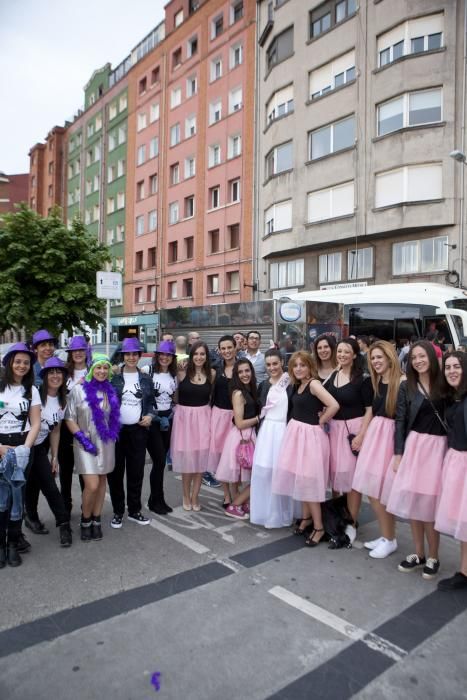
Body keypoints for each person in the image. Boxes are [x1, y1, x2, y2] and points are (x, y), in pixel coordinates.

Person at [386, 340, 447, 579]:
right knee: (413, 503)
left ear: (431, 357)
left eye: (422, 356)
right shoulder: (406, 386)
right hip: (413, 448)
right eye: (414, 358)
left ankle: (434, 556)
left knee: (429, 505)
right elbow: (400, 421)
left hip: (438, 448)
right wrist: (398, 453)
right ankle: (418, 553)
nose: (418, 361)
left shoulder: (445, 384)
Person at [272, 351, 339, 545]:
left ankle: (319, 527)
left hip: (311, 438)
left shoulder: (314, 384)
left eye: (303, 365)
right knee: (301, 479)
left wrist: (321, 420)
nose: (299, 369)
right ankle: (307, 518)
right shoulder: (298, 385)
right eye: (295, 365)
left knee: (309, 483)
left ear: (310, 366)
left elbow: (334, 405)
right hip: (297, 436)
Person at [352, 341, 403, 559]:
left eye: (380, 357)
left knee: (383, 493)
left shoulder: (402, 383)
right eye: (372, 358)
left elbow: (403, 419)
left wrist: (400, 451)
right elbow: (370, 412)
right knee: (373, 491)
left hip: (391, 440)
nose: (375, 361)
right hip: (376, 437)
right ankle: (387, 536)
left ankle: (390, 539)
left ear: (390, 357)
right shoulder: (376, 381)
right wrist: (362, 435)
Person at [65, 354, 120, 542]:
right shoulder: (78, 390)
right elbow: (69, 418)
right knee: (92, 484)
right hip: (84, 443)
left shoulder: (110, 391)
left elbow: (113, 418)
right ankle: (85, 519)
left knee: (102, 480)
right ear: (91, 369)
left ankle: (96, 519)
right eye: (98, 367)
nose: (102, 371)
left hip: (106, 443)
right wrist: (81, 438)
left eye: (105, 368)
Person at [326, 338, 373, 542]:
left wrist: (362, 435)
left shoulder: (362, 379)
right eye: (340, 351)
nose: (342, 355)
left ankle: (352, 522)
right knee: (336, 476)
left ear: (355, 355)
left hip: (353, 430)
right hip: (334, 430)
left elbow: (370, 409)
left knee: (352, 480)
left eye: (347, 352)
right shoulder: (333, 375)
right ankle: (338, 516)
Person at [24, 357, 72, 547]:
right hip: (25, 445)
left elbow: (56, 429)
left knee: (49, 486)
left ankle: (64, 525)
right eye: (51, 372)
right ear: (44, 376)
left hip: (41, 446)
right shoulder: (34, 394)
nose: (55, 376)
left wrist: (54, 456)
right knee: (30, 486)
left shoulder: (62, 400)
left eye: (58, 372)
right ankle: (30, 519)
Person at [0, 342, 41, 566]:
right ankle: (0, 544)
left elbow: (35, 423)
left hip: (22, 447)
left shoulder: (31, 390)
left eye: (26, 362)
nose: (22, 366)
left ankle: (13, 543)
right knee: (0, 501)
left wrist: (25, 448)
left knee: (17, 500)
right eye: (17, 361)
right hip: (0, 446)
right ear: (9, 363)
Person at [108, 338, 154, 528]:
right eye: (128, 354)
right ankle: (118, 511)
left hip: (138, 431)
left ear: (139, 355)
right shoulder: (114, 378)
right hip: (117, 431)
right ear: (123, 356)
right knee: (116, 473)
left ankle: (134, 510)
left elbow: (151, 403)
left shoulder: (145, 378)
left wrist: (150, 415)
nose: (132, 357)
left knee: (136, 472)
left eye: (135, 354)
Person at [250, 349, 296, 528]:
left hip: (284, 430)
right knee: (264, 473)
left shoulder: (290, 382)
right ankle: (265, 511)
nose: (272, 368)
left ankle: (282, 512)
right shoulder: (263, 385)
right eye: (268, 365)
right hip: (267, 432)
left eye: (275, 364)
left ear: (282, 363)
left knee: (282, 473)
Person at [435, 352, 467, 589]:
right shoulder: (453, 397)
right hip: (456, 460)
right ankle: (465, 571)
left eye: (457, 366)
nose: (452, 371)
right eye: (447, 368)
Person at [171, 341, 216, 511]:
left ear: (206, 356)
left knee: (200, 462)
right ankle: (185, 495)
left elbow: (211, 397)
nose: (199, 357)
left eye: (202, 354)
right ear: (191, 355)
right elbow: (174, 396)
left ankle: (195, 496)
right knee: (187, 462)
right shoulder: (181, 372)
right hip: (184, 420)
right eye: (196, 354)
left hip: (204, 418)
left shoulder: (211, 373)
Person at [216, 359, 261, 519]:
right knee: (238, 473)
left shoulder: (249, 389)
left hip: (249, 435)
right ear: (236, 375)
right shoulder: (238, 393)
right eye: (240, 372)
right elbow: (240, 423)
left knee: (240, 473)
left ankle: (239, 503)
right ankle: (235, 505)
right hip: (241, 436)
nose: (244, 374)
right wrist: (259, 417)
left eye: (247, 370)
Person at [58, 335, 89, 517]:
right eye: (74, 351)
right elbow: (58, 397)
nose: (78, 353)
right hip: (66, 428)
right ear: (70, 354)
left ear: (86, 352)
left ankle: (86, 508)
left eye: (81, 350)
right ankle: (65, 509)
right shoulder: (63, 373)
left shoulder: (93, 371)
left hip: (87, 428)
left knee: (86, 470)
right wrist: (74, 387)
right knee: (66, 470)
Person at [146, 340, 178, 515]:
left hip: (169, 421)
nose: (165, 358)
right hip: (153, 422)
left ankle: (155, 499)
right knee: (159, 461)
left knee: (161, 463)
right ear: (157, 356)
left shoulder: (174, 376)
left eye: (168, 355)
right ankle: (157, 500)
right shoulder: (147, 372)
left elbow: (175, 398)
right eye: (162, 354)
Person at [208, 336, 237, 508]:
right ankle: (227, 496)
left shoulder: (243, 368)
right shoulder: (215, 370)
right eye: (223, 348)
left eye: (229, 347)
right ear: (219, 350)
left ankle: (236, 494)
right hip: (218, 416)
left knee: (235, 457)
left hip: (236, 417)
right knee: (221, 458)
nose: (226, 351)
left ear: (235, 348)